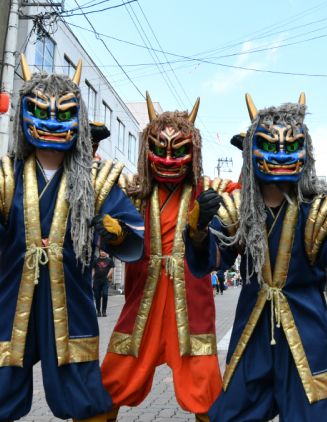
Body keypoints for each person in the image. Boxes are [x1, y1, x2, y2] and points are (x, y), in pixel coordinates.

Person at [0, 55, 144, 422]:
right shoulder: (4, 176)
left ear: (79, 121)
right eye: (40, 112)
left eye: (64, 114)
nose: (51, 122)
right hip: (14, 296)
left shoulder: (97, 181)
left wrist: (115, 232)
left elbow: (131, 234)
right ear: (23, 116)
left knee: (82, 385)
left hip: (72, 297)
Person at [185, 92, 327, 421]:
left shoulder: (317, 206)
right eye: (271, 147)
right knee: (232, 412)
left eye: (291, 147)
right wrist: (198, 230)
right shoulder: (239, 208)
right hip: (253, 330)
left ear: (306, 151)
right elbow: (216, 258)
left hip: (305, 328)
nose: (282, 156)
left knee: (311, 414)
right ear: (251, 150)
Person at [100, 94, 228, 422]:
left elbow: (229, 231)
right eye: (160, 149)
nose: (169, 159)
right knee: (114, 374)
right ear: (147, 150)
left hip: (191, 297)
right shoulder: (134, 192)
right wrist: (114, 234)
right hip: (144, 295)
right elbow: (115, 226)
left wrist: (202, 229)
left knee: (205, 383)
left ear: (194, 152)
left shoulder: (207, 191)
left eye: (179, 150)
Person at [92, 250, 114, 317]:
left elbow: (112, 268)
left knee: (105, 294)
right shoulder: (95, 260)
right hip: (97, 280)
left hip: (105, 280)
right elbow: (93, 269)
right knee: (97, 296)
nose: (103, 252)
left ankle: (104, 311)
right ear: (99, 252)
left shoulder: (109, 260)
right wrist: (91, 278)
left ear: (106, 252)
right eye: (101, 251)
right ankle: (98, 311)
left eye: (104, 251)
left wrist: (108, 275)